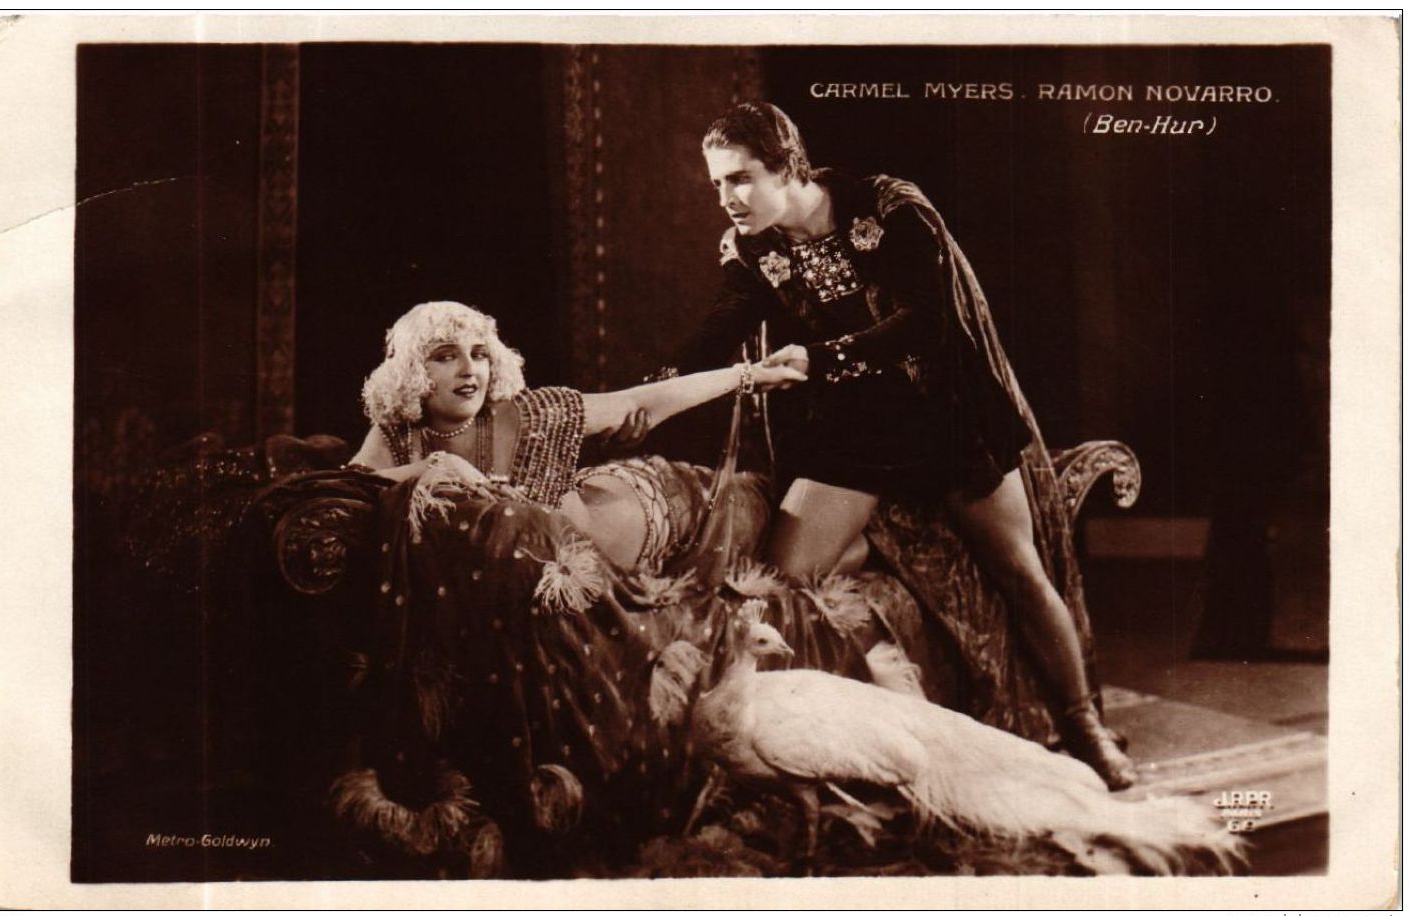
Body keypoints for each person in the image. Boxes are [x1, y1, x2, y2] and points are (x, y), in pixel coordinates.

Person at [673, 101, 1136, 789]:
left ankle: (1082, 725)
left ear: (787, 166)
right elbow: (722, 326)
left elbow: (927, 322)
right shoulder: (753, 248)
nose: (727, 198)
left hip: (948, 414)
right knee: (785, 579)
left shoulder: (887, 209)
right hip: (857, 434)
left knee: (1019, 571)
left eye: (740, 178)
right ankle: (858, 736)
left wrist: (821, 358)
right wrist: (660, 385)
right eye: (717, 183)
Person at [350, 300, 806, 571]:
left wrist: (746, 375)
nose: (470, 370)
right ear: (413, 370)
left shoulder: (531, 412)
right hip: (591, 520)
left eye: (480, 354)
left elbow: (640, 402)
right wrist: (439, 465)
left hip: (670, 511)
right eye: (447, 356)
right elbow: (350, 485)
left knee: (776, 529)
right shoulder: (397, 434)